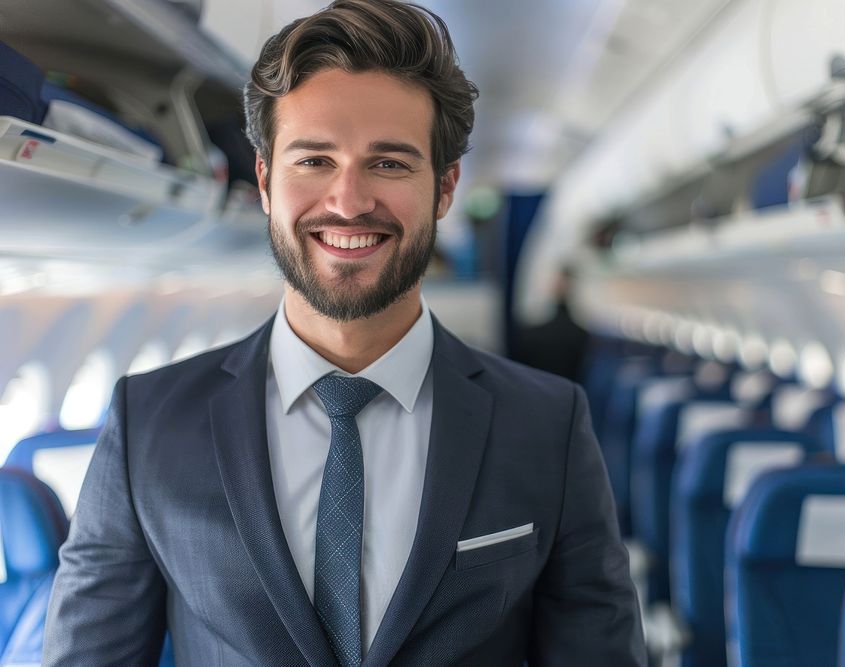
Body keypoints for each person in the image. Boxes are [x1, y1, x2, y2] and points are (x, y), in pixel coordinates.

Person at [42, 1, 645, 665]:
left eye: (388, 163)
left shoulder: (547, 425)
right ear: (267, 180)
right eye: (315, 160)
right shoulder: (149, 424)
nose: (350, 200)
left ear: (444, 188)